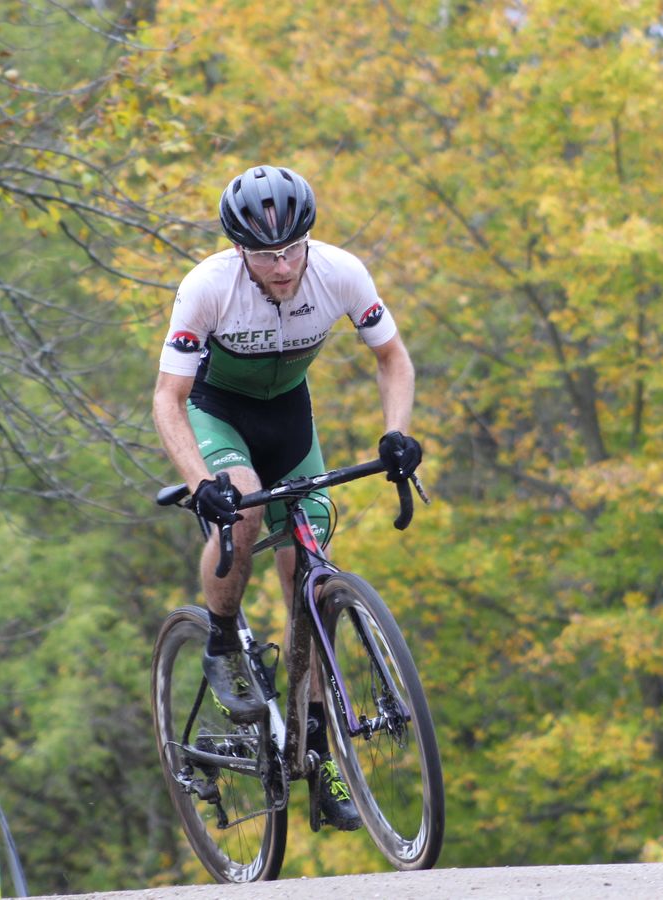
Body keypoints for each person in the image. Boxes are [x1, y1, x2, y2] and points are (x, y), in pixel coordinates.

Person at [152, 164, 423, 831]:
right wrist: (200, 484)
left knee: (311, 579)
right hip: (220, 417)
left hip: (289, 423)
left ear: (309, 238)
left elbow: (394, 358)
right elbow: (168, 398)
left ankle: (317, 750)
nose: (281, 266)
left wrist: (397, 435)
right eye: (265, 255)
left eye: (291, 249)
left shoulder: (341, 272)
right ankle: (220, 640)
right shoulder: (207, 287)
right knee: (240, 509)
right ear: (238, 250)